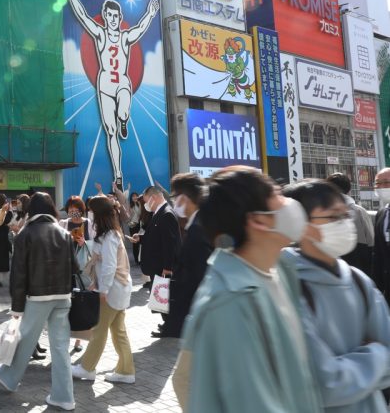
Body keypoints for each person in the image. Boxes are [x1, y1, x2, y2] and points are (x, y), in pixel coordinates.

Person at [172, 166, 322, 413]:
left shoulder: (281, 269)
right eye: (276, 194)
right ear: (258, 220)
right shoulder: (230, 301)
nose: (288, 202)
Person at [283, 179, 390, 412]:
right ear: (300, 225)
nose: (345, 223)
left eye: (345, 215)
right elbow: (323, 383)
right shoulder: (286, 285)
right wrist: (377, 354)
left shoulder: (358, 280)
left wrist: (346, 367)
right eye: (333, 217)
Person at [60, 0, 159, 191]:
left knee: (123, 112)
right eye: (110, 16)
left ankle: (124, 119)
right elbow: (83, 16)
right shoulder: (100, 34)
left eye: (116, 16)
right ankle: (118, 173)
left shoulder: (125, 37)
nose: (113, 19)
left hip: (122, 82)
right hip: (104, 84)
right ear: (105, 16)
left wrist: (151, 13)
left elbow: (140, 29)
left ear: (119, 18)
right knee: (110, 132)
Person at [0, 192, 78, 411]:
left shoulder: (26, 233)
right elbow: (75, 267)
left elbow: (19, 274)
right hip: (63, 296)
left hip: (38, 297)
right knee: (60, 347)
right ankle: (64, 397)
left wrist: (17, 308)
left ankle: (9, 377)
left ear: (32, 210)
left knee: (25, 340)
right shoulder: (64, 233)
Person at [71, 195, 134, 384]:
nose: (89, 214)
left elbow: (109, 266)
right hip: (118, 288)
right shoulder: (111, 234)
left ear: (98, 214)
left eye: (91, 210)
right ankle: (126, 371)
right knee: (118, 331)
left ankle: (87, 367)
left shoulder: (109, 236)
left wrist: (103, 289)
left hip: (112, 290)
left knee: (99, 330)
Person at [164, 173, 212, 339]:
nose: (173, 202)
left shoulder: (197, 231)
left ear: (184, 198)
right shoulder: (200, 224)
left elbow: (201, 278)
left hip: (199, 321)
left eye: (174, 197)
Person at [138, 185, 181, 336]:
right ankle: (167, 325)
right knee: (161, 297)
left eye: (146, 201)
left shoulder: (166, 213)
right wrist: (141, 238)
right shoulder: (159, 213)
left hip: (163, 267)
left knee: (164, 297)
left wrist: (167, 267)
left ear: (154, 197)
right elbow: (156, 237)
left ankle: (171, 327)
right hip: (157, 265)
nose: (146, 205)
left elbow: (170, 244)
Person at [58, 196, 95, 352]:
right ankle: (65, 337)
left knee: (81, 301)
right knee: (66, 304)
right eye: (70, 209)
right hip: (66, 267)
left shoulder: (88, 223)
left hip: (83, 268)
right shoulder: (63, 223)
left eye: (76, 209)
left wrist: (84, 243)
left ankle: (79, 341)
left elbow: (95, 244)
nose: (73, 212)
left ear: (81, 210)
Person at [326, 172, 374, 276]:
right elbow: (371, 240)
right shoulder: (359, 211)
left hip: (332, 264)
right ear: (349, 190)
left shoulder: (322, 211)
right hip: (359, 261)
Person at [372, 168, 390, 304]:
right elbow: (378, 253)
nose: (381, 187)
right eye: (377, 183)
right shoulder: (382, 214)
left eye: (386, 182)